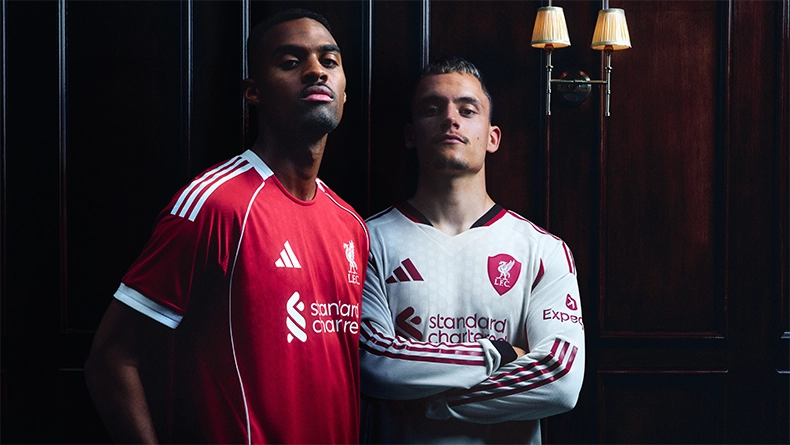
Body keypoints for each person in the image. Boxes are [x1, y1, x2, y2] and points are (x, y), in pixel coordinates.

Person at [84, 9, 369, 445]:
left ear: (345, 92)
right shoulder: (215, 205)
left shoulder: (350, 224)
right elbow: (112, 360)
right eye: (291, 62)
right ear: (253, 92)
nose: (315, 71)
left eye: (329, 61)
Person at [359, 57, 584, 445]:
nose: (451, 119)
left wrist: (435, 402)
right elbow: (374, 364)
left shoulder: (543, 250)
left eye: (467, 109)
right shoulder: (366, 241)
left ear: (492, 137)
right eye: (433, 108)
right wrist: (498, 352)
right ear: (411, 135)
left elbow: (560, 378)